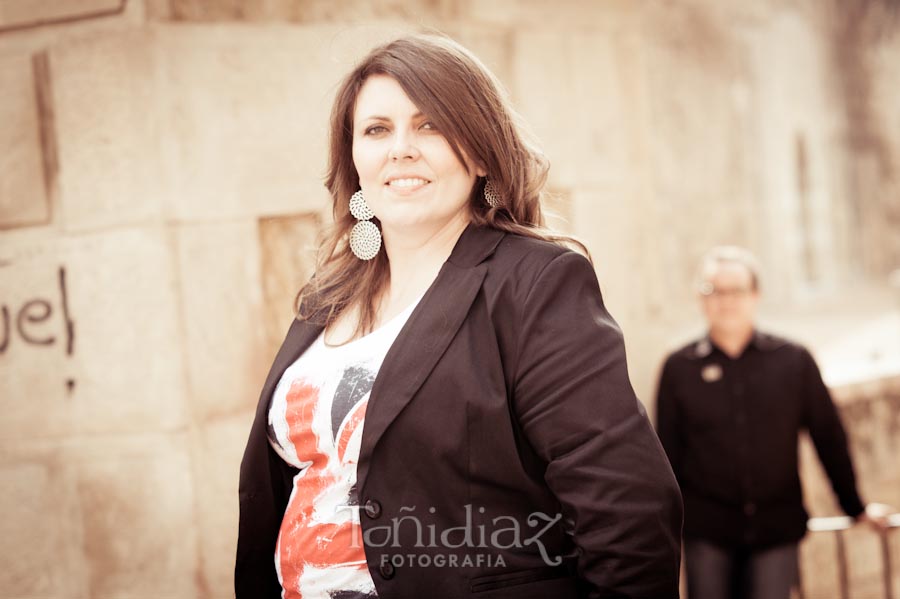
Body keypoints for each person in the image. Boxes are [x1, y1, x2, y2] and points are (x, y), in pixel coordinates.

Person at [235, 33, 682, 599]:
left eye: (430, 125)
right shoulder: (325, 298)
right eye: (377, 129)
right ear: (353, 159)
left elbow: (628, 510)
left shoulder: (533, 283)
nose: (400, 148)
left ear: (478, 149)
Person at [655, 246, 893, 599]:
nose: (725, 301)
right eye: (713, 291)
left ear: (755, 295)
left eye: (735, 290)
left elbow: (828, 437)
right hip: (707, 532)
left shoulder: (793, 360)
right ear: (700, 299)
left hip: (775, 530)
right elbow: (665, 457)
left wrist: (855, 507)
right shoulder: (679, 368)